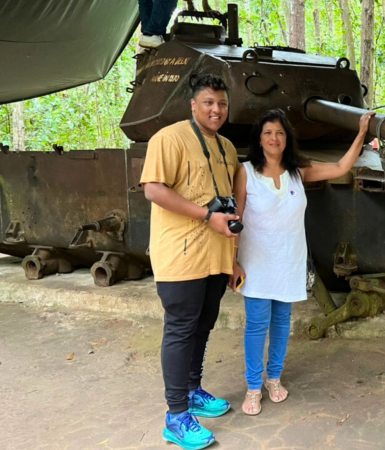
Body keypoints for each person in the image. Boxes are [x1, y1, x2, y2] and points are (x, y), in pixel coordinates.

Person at [232, 108, 375, 415]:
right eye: (268, 133)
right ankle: (253, 387)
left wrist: (362, 132)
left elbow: (341, 166)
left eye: (279, 133)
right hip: (255, 263)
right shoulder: (245, 172)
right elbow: (236, 220)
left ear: (287, 139)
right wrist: (232, 262)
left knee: (282, 323)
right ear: (259, 138)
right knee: (257, 325)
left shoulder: (298, 171)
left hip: (288, 262)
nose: (274, 138)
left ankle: (274, 379)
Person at [141, 74, 239, 450]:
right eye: (209, 102)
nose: (216, 110)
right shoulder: (169, 138)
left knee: (203, 325)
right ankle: (176, 415)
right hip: (180, 255)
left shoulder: (227, 148)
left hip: (215, 255)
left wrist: (234, 258)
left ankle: (193, 390)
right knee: (181, 329)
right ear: (193, 104)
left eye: (222, 103)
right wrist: (205, 215)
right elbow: (154, 189)